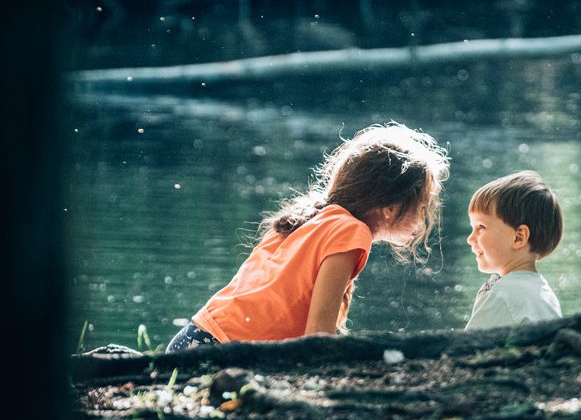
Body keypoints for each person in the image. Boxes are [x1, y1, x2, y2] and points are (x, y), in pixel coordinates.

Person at [166, 122, 449, 352]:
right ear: (390, 208)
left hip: (195, 338)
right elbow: (318, 337)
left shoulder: (313, 217)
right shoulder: (350, 232)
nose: (424, 219)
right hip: (219, 351)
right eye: (423, 207)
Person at [464, 170, 563, 331]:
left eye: (481, 227)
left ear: (518, 237)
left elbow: (465, 349)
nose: (470, 238)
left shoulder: (503, 295)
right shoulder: (545, 294)